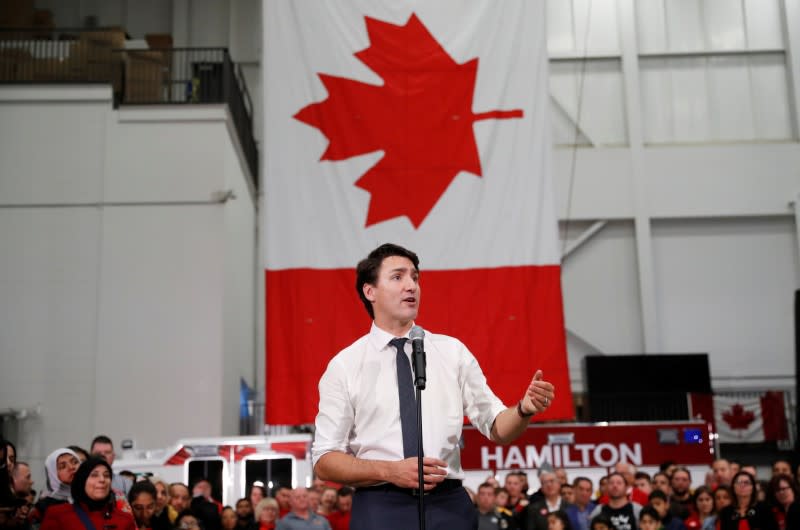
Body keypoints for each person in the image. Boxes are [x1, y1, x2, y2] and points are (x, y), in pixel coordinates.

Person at [311, 243, 556, 530]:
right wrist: (390, 471)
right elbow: (325, 460)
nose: (411, 286)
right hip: (381, 506)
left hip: (449, 506)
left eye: (415, 277)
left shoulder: (452, 352)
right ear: (370, 291)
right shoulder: (345, 365)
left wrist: (524, 409)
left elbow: (497, 428)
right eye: (397, 277)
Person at [40, 456, 136, 530]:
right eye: (94, 475)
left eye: (106, 475)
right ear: (82, 481)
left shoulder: (125, 519)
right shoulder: (58, 514)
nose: (102, 480)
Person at [27, 448, 81, 525]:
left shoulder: (92, 497)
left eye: (75, 462)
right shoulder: (45, 507)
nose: (71, 467)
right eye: (63, 466)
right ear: (53, 474)